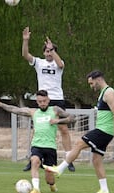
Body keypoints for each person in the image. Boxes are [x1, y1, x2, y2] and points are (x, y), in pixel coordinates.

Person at [44, 70, 114, 193]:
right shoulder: (103, 92)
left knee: (79, 143)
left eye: (91, 83)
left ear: (98, 79)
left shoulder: (109, 92)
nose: (91, 86)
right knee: (96, 160)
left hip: (104, 131)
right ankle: (104, 190)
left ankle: (60, 168)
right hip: (104, 130)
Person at [0, 90, 75, 193]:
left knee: (49, 178)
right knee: (34, 161)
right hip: (37, 145)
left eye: (44, 101)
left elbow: (72, 118)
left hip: (50, 147)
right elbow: (15, 109)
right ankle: (36, 189)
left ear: (48, 100)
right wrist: (0, 104)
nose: (42, 103)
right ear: (37, 101)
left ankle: (52, 185)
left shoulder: (55, 110)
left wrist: (58, 121)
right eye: (40, 101)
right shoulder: (33, 112)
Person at [22, 26, 75, 172]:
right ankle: (33, 158)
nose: (48, 53)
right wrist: (25, 41)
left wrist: (53, 49)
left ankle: (69, 159)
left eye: (51, 51)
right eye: (46, 51)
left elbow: (60, 64)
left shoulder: (58, 63)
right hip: (42, 98)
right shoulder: (39, 62)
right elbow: (26, 55)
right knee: (38, 128)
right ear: (43, 52)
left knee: (63, 128)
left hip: (57, 98)